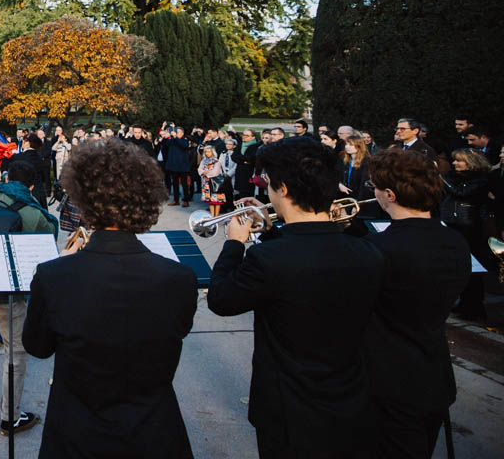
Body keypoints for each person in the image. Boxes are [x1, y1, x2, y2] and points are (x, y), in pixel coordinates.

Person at [208, 137, 385, 458]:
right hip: (350, 398)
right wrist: (269, 229)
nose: (268, 190)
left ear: (284, 190)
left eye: (270, 184)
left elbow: (221, 299)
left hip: (287, 407)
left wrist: (234, 243)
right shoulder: (367, 251)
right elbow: (305, 248)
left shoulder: (269, 259)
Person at [24, 139, 198, 457]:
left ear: (83, 201)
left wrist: (61, 267)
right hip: (154, 433)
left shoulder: (53, 276)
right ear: (145, 200)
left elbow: (37, 346)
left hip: (76, 434)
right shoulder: (181, 278)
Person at [361, 150, 470, 458]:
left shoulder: (376, 249)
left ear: (390, 194)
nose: (375, 195)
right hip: (432, 375)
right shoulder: (455, 241)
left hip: (385, 381)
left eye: (375, 189)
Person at [0, 160, 58, 437]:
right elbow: (50, 239)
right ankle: (10, 418)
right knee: (15, 350)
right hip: (8, 292)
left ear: (6, 177)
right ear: (31, 186)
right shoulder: (32, 212)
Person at [442, 148, 493, 321]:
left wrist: (441, 176)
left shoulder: (480, 180)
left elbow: (460, 193)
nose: (454, 163)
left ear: (470, 162)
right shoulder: (456, 177)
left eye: (459, 161)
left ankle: (474, 306)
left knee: (473, 268)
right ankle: (464, 302)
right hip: (454, 223)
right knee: (460, 267)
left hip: (469, 227)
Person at [198, 144, 225, 218]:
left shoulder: (216, 161)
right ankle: (212, 215)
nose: (207, 153)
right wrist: (203, 172)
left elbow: (216, 172)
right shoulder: (204, 160)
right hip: (206, 183)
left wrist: (206, 172)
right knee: (210, 200)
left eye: (209, 152)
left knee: (217, 200)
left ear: (212, 152)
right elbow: (200, 169)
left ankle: (216, 216)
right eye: (206, 151)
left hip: (215, 183)